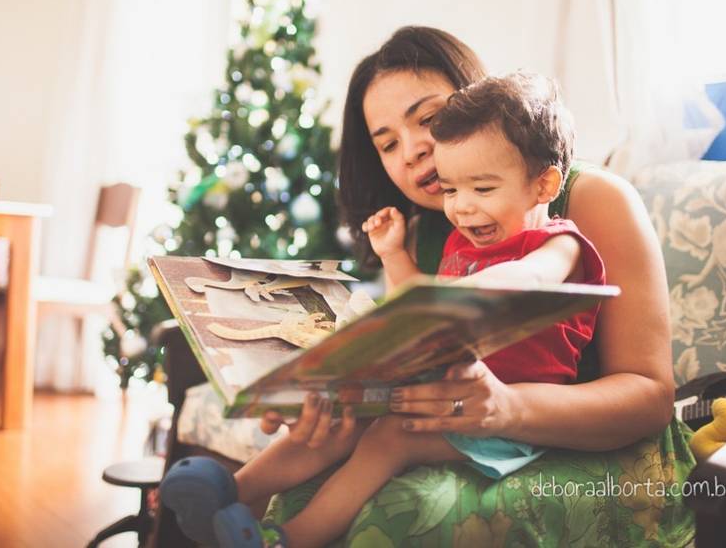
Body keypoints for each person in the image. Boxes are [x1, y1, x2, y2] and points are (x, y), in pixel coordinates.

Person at [259, 27, 695, 546]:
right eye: (388, 144)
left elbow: (649, 399)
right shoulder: (429, 225)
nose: (414, 151)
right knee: (306, 490)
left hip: (604, 453)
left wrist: (505, 406)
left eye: (429, 119)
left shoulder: (590, 200)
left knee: (412, 514)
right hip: (461, 433)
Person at [159, 73, 607, 548]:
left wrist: (470, 291)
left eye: (482, 188)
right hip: (444, 400)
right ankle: (229, 491)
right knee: (339, 422)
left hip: (508, 422)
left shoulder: (558, 243)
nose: (462, 208)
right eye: (452, 191)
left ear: (544, 185)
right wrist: (395, 255)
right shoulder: (464, 239)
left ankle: (288, 539)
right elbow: (420, 304)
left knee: (387, 438)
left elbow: (532, 279)